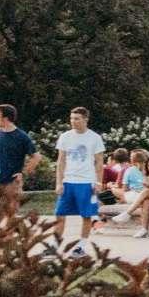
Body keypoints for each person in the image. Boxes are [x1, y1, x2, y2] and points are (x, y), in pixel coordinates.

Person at [53, 107, 105, 253]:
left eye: (77, 119)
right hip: (68, 181)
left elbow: (99, 163)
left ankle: (81, 247)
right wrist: (59, 182)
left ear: (85, 119)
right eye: (71, 118)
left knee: (86, 215)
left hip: (86, 182)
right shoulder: (65, 136)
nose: (73, 121)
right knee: (60, 214)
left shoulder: (95, 138)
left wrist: (98, 182)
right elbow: (61, 161)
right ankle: (55, 247)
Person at [0, 104, 34, 214]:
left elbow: (36, 157)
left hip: (11, 182)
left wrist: (23, 173)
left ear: (5, 118)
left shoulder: (21, 136)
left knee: (10, 214)